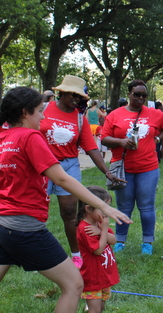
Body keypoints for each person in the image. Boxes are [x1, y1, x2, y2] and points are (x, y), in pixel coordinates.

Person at [0, 87, 131, 313]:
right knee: (74, 285)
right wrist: (104, 206)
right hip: (26, 230)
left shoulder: (3, 137)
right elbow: (61, 179)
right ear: (24, 112)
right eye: (40, 111)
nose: (43, 117)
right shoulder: (30, 137)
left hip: (3, 226)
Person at [40, 75, 123, 269]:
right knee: (38, 212)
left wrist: (106, 172)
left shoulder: (79, 118)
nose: (77, 100)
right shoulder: (43, 110)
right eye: (73, 96)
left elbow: (90, 147)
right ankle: (36, 252)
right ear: (62, 93)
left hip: (68, 166)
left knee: (69, 212)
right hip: (42, 166)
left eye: (80, 98)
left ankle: (76, 254)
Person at [101, 80, 163, 255]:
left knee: (146, 206)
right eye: (137, 94)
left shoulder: (154, 114)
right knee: (124, 206)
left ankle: (147, 243)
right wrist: (121, 142)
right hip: (122, 167)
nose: (140, 98)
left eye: (144, 95)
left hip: (147, 168)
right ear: (129, 94)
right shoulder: (115, 115)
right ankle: (120, 241)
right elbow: (104, 138)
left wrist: (157, 139)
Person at [76, 186, 120, 313]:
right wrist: (104, 229)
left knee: (100, 310)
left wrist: (102, 231)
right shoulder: (85, 229)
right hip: (93, 278)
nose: (106, 212)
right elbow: (98, 250)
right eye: (103, 207)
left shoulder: (99, 223)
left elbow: (113, 240)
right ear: (88, 209)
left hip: (103, 276)